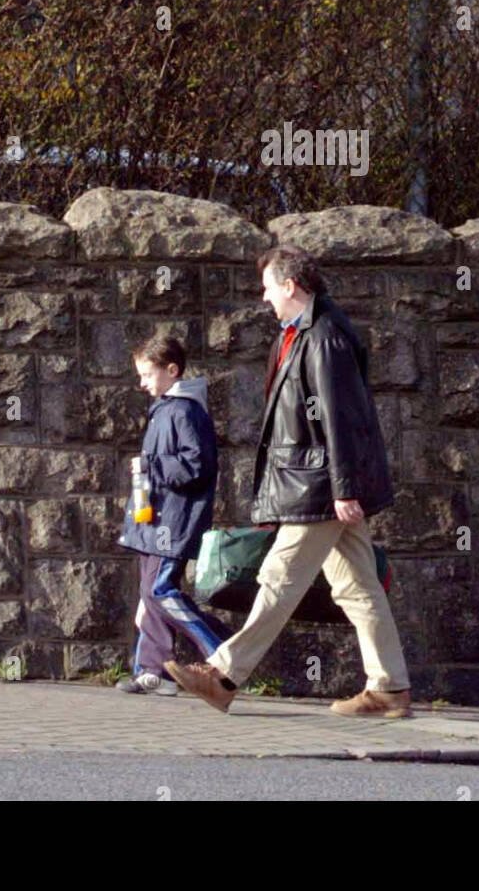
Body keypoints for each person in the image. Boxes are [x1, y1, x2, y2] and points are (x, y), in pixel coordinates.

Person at [167, 246, 412, 717]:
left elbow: (341, 418)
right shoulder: (307, 333)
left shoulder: (321, 337)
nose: (264, 299)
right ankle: (389, 688)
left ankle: (223, 675)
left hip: (319, 489)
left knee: (279, 578)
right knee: (358, 588)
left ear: (290, 286)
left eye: (267, 288)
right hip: (320, 484)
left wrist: (344, 489)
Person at [117, 335, 231, 695]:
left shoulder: (184, 410)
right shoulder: (167, 408)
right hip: (155, 520)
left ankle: (222, 650)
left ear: (172, 370)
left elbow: (197, 466)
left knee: (162, 590)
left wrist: (150, 465)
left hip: (174, 522)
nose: (142, 383)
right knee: (151, 594)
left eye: (148, 375)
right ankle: (154, 671)